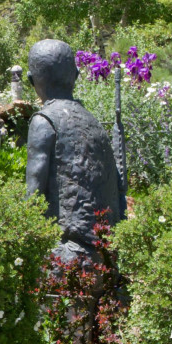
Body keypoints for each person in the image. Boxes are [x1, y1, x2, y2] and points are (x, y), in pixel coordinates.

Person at [25, 39, 121, 262]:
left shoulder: (44, 121)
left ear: (31, 80)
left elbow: (33, 193)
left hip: (66, 255)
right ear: (77, 75)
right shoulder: (94, 122)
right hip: (107, 255)